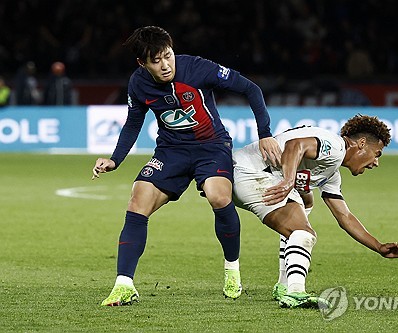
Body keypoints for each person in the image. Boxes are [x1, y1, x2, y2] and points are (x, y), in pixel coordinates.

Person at [92, 26, 280, 306]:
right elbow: (133, 123)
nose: (165, 65)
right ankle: (124, 284)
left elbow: (250, 89)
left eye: (168, 56)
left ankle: (232, 269)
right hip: (171, 151)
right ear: (142, 63)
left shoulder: (197, 68)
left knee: (219, 196)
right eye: (156, 61)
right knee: (137, 200)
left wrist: (264, 133)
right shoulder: (138, 83)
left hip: (212, 147)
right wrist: (115, 159)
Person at [232, 115, 398, 308]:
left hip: (248, 174)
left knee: (305, 204)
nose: (376, 162)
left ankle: (285, 286)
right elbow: (295, 145)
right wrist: (288, 181)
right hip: (250, 173)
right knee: (303, 232)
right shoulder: (335, 146)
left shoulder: (331, 173)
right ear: (361, 143)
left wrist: (378, 246)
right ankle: (295, 292)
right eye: (377, 153)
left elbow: (344, 216)